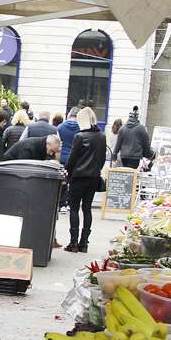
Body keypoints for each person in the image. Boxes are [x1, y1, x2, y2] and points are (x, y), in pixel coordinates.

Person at [65, 107, 108, 253]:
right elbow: (102, 159)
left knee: (74, 208)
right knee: (87, 209)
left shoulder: (80, 136)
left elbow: (72, 158)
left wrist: (68, 172)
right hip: (93, 177)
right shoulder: (102, 136)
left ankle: (73, 243)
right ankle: (84, 243)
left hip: (78, 177)